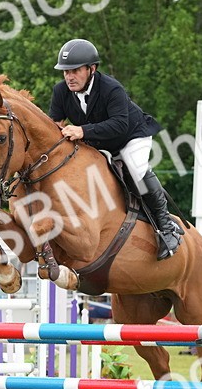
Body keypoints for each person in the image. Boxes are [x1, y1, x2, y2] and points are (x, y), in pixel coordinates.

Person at [49, 38, 182, 259]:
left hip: (131, 136)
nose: (69, 77)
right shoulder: (61, 91)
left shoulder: (111, 88)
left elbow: (120, 124)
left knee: (135, 167)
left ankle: (166, 226)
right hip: (99, 144)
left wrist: (82, 131)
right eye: (65, 72)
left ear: (92, 69)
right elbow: (54, 124)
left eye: (74, 71)